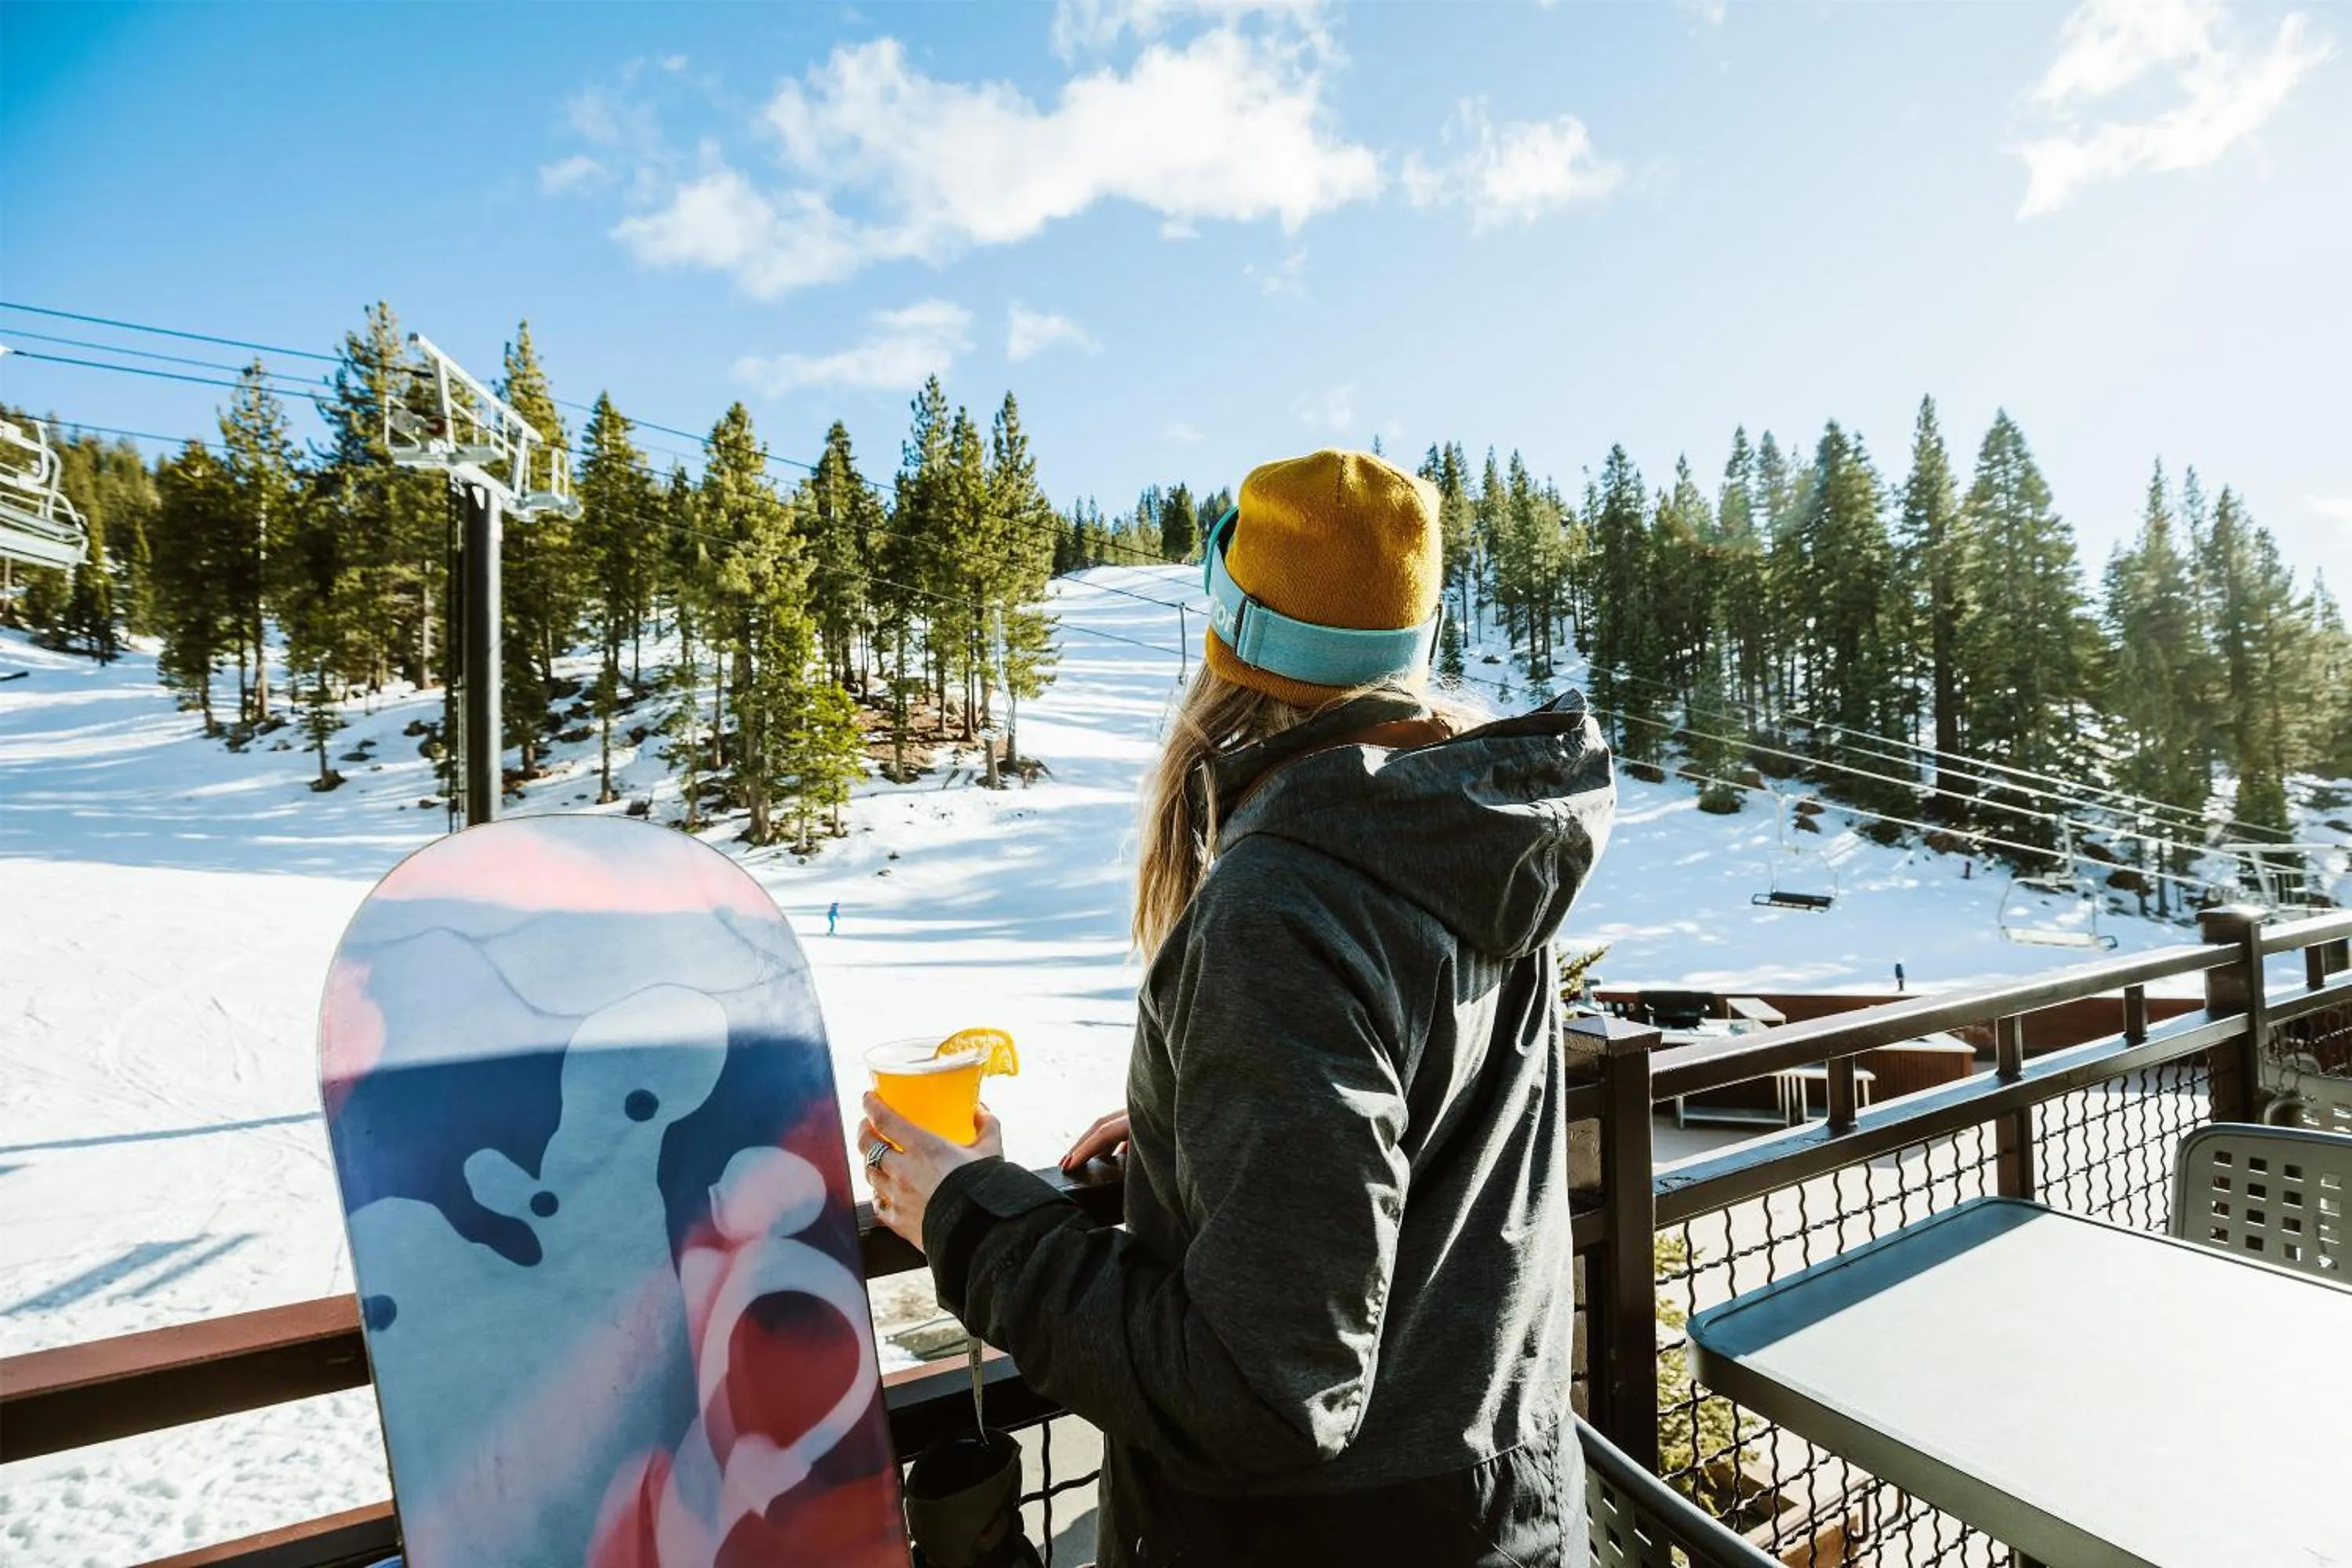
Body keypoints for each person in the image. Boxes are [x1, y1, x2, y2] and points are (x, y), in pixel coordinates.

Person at [859, 449, 1616, 1567]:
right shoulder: (1471, 833)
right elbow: (1419, 1125)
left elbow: (1265, 1395)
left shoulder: (1288, 903)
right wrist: (1189, 1135)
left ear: (1234, 640)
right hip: (1501, 1512)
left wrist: (972, 1219)